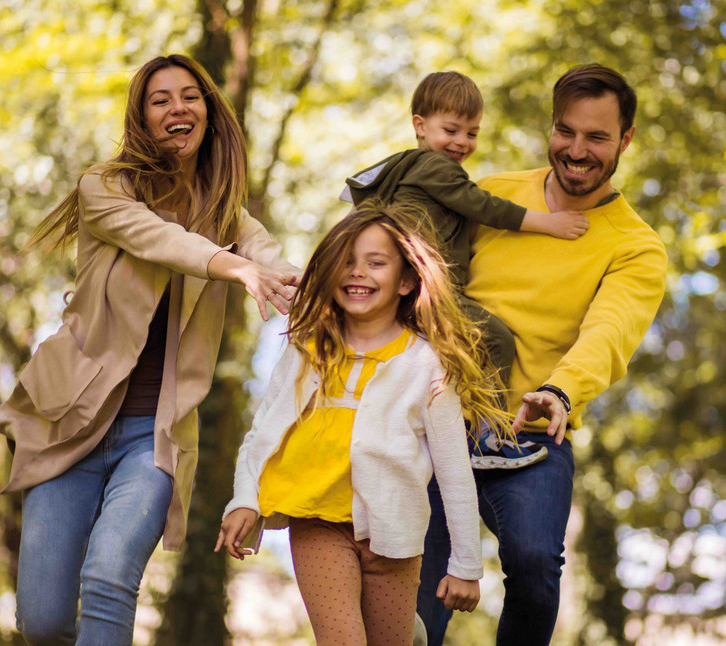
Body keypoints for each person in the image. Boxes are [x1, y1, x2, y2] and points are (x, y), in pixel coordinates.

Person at [0, 54, 299, 646]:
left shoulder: (227, 213)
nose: (178, 108)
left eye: (190, 97)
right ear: (142, 118)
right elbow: (162, 240)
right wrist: (236, 267)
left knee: (109, 579)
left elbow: (277, 264)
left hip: (152, 436)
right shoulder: (104, 189)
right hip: (69, 425)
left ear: (209, 114)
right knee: (44, 621)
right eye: (161, 100)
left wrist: (323, 287)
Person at [416, 64, 668, 644]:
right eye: (566, 132)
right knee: (419, 596)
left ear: (625, 140)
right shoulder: (493, 195)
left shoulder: (635, 246)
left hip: (530, 428)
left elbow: (609, 331)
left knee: (534, 567)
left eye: (597, 138)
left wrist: (560, 390)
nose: (577, 151)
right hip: (438, 419)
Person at [216, 202, 511, 645]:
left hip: (396, 536)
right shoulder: (307, 349)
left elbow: (453, 472)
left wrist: (466, 566)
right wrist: (244, 499)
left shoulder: (427, 365)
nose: (358, 273)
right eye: (346, 261)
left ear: (407, 280)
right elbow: (263, 432)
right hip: (316, 520)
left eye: (376, 263)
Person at [342, 71, 588, 429]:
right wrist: (549, 222)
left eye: (472, 133)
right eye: (451, 130)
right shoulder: (434, 166)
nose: (462, 142)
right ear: (420, 126)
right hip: (426, 289)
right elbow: (485, 206)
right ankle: (494, 429)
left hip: (414, 289)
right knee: (494, 338)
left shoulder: (416, 169)